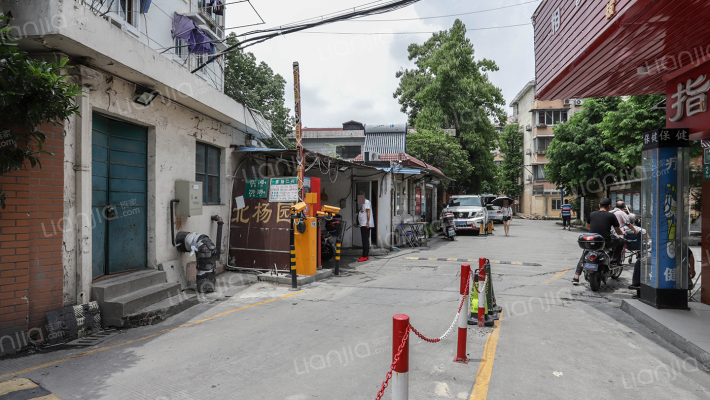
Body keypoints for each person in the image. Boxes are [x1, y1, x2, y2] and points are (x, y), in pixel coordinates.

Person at [572, 197, 625, 284]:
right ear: (609, 206)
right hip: (605, 243)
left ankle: (576, 276)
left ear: (599, 205)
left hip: (592, 241)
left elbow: (587, 226)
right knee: (621, 241)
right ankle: (614, 259)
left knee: (584, 254)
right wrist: (622, 232)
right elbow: (618, 231)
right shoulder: (611, 216)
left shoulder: (592, 214)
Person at [357, 192, 374, 262]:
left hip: (365, 224)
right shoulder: (363, 203)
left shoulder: (366, 202)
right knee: (364, 240)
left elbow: (368, 212)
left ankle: (365, 256)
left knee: (365, 240)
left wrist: (367, 222)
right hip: (362, 224)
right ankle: (366, 255)